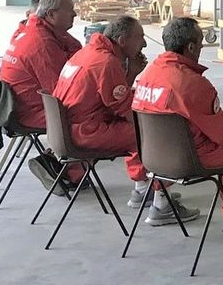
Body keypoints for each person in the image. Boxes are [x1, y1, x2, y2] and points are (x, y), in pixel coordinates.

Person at [53, 15, 200, 226]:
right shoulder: (107, 62)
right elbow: (126, 110)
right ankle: (162, 205)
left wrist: (131, 74)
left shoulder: (88, 53)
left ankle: (143, 189)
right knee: (156, 137)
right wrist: (159, 126)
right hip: (85, 132)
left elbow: (112, 97)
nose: (145, 44)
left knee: (138, 131)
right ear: (122, 40)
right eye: (140, 37)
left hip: (68, 129)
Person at [131, 17, 223, 236]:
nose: (202, 46)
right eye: (201, 42)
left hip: (152, 158)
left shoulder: (147, 75)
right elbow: (220, 132)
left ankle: (160, 200)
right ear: (191, 47)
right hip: (188, 159)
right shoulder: (193, 84)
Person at [0, 0, 83, 192]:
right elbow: (61, 90)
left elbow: (76, 49)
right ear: (52, 15)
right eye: (70, 11)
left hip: (19, 105)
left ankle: (60, 163)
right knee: (90, 118)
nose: (75, 14)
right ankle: (62, 169)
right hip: (31, 111)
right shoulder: (42, 43)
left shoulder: (33, 29)